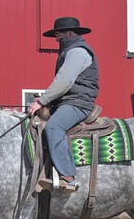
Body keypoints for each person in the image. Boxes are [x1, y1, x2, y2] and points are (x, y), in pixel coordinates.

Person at [27, 16, 99, 192]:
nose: (56, 39)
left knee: (53, 127)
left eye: (58, 35)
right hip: (68, 101)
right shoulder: (71, 51)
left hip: (78, 103)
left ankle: (68, 177)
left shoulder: (78, 52)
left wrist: (42, 101)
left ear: (69, 33)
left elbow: (64, 81)